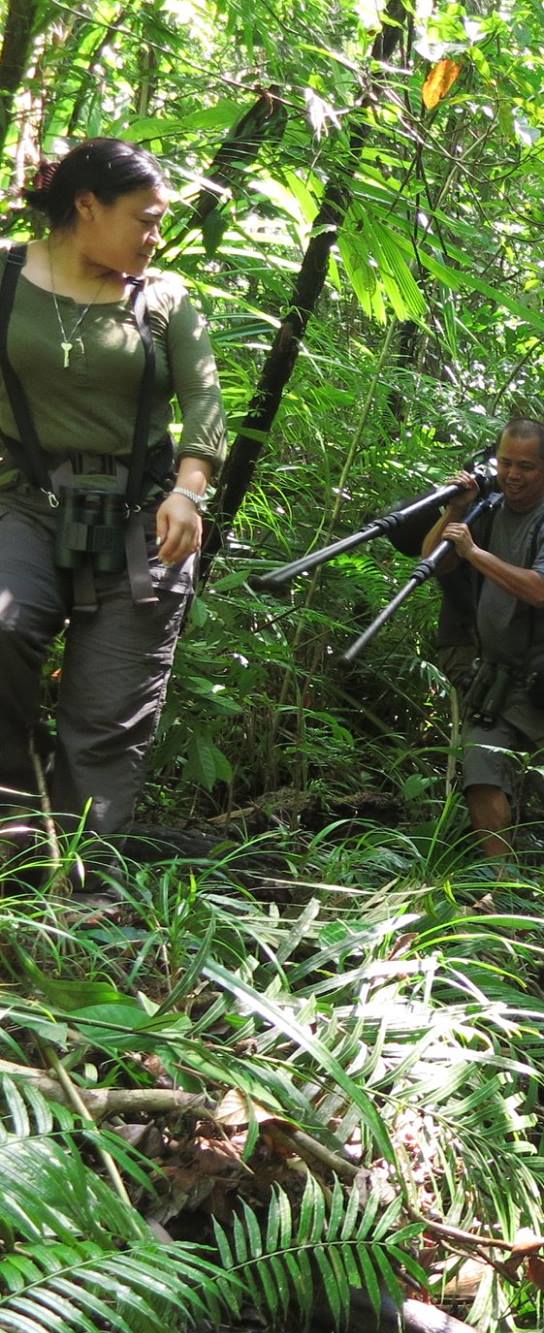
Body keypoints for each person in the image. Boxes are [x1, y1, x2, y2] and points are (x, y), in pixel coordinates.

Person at [0, 139, 224, 841]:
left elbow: (205, 406)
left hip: (139, 520)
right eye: (145, 219)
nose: (156, 237)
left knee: (108, 714)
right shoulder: (6, 274)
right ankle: (10, 835)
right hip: (23, 506)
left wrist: (188, 492)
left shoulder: (162, 298)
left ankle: (82, 881)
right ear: (87, 206)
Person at [425, 418, 544, 905]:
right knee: (480, 775)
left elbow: (540, 589)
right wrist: (455, 511)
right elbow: (433, 560)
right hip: (494, 679)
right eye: (505, 463)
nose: (512, 474)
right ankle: (500, 889)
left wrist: (474, 552)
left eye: (525, 466)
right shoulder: (486, 509)